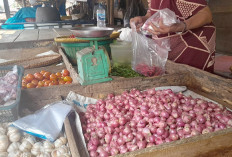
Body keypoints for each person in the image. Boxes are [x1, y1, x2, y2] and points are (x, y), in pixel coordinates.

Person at [130, 0, 215, 73]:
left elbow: (205, 14)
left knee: (194, 83)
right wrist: (144, 18)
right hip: (169, 46)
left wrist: (180, 26)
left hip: (192, 43)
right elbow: (154, 10)